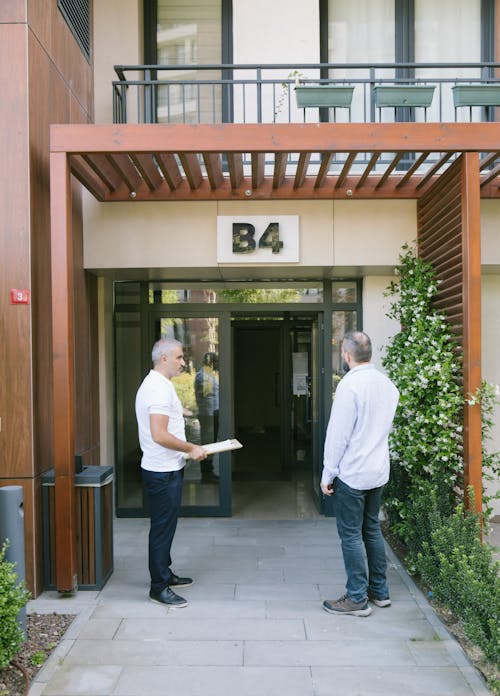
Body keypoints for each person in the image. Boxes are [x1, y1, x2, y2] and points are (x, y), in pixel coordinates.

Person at [320, 331, 399, 617]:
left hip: (353, 473)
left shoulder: (349, 386)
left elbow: (338, 435)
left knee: (351, 535)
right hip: (378, 471)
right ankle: (380, 592)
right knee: (372, 529)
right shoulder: (387, 385)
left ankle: (356, 598)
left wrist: (328, 473)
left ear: (347, 354)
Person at [135, 338, 207, 607]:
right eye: (178, 358)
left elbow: (163, 423)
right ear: (164, 358)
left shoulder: (159, 385)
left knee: (166, 526)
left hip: (166, 468)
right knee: (162, 529)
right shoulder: (156, 389)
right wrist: (191, 447)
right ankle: (159, 586)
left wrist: (182, 414)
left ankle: (165, 573)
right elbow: (159, 434)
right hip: (162, 472)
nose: (183, 362)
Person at [194, 352, 219, 483]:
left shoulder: (207, 375)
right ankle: (207, 473)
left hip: (210, 412)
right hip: (208, 414)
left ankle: (208, 471)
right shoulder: (204, 376)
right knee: (208, 443)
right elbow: (206, 397)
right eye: (216, 362)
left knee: (210, 442)